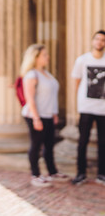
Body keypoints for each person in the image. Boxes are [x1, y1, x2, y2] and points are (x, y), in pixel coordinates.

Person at [20, 44, 69, 187]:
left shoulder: (47, 74)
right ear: (35, 57)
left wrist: (54, 113)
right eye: (44, 55)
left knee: (49, 144)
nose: (48, 57)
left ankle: (52, 172)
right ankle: (35, 175)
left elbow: (51, 96)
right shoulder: (31, 75)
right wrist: (36, 118)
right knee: (36, 145)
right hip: (35, 115)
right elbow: (30, 99)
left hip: (48, 114)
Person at [71, 30, 105, 186]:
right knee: (82, 141)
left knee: (103, 142)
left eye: (103, 40)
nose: (99, 42)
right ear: (93, 41)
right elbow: (76, 82)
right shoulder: (82, 60)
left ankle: (102, 174)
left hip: (103, 109)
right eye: (97, 39)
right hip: (86, 107)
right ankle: (80, 173)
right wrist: (77, 104)